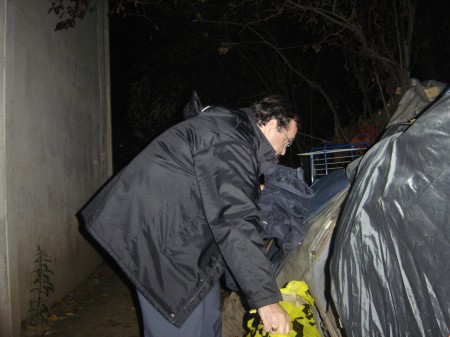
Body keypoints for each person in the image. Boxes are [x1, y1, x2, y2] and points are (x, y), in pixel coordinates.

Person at [80, 94, 299, 336]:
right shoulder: (230, 140)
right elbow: (236, 220)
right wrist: (265, 299)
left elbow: (216, 189)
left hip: (183, 237)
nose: (283, 152)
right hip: (156, 243)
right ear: (270, 124)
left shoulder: (235, 135)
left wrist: (253, 192)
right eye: (287, 142)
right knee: (180, 318)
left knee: (207, 317)